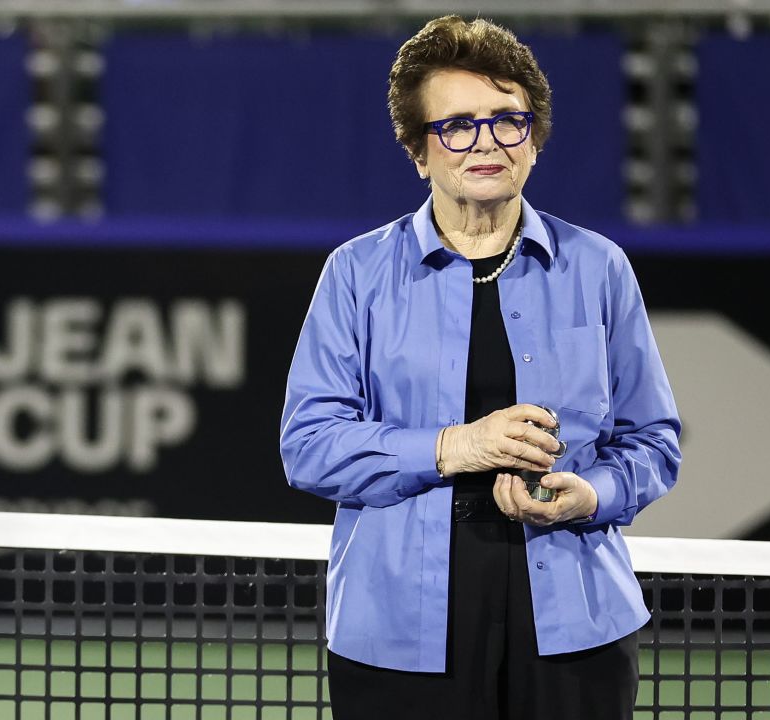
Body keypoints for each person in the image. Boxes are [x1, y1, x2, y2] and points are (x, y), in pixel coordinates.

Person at [278, 15, 682, 720]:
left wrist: (593, 494)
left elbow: (653, 441)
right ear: (418, 151)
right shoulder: (356, 274)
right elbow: (309, 446)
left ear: (533, 140)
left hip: (575, 629)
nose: (487, 140)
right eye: (457, 125)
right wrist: (459, 445)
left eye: (507, 120)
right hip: (399, 634)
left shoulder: (599, 268)